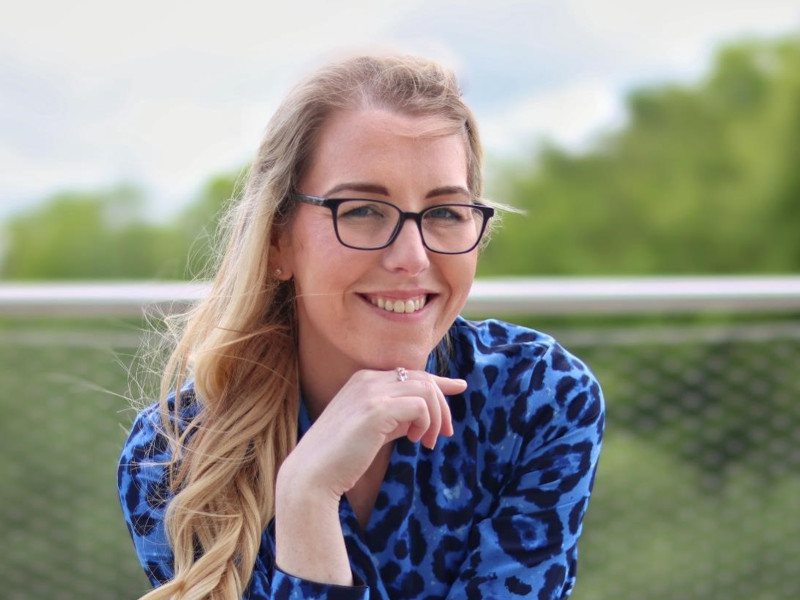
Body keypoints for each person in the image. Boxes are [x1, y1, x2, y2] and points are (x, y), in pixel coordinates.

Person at [118, 54, 605, 600]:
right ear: (279, 240)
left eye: (445, 213)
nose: (412, 257)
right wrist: (307, 496)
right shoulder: (177, 456)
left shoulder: (535, 394)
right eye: (363, 210)